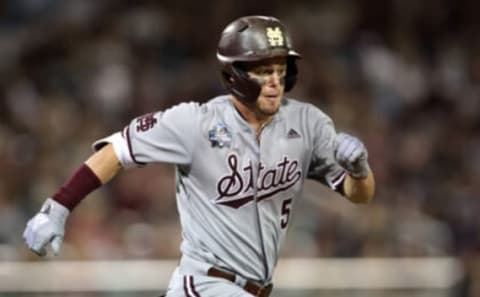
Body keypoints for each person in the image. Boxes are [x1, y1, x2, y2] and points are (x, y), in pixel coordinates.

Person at [23, 15, 375, 297]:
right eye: (263, 70)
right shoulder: (195, 122)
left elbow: (361, 196)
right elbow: (118, 151)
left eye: (281, 70)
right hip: (205, 283)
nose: (275, 81)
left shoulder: (307, 123)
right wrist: (58, 208)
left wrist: (360, 170)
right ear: (234, 74)